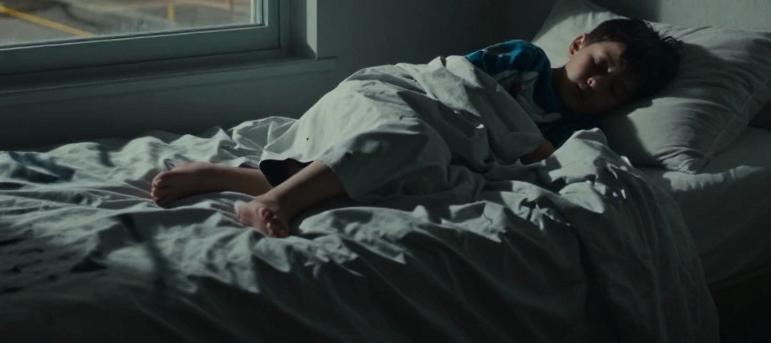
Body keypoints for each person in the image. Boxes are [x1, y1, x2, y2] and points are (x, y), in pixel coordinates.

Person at [150, 18, 682, 238]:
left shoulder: (572, 130)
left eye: (615, 90)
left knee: (417, 167)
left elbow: (534, 163)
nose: (600, 85)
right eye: (602, 63)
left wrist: (528, 149)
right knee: (404, 139)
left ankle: (224, 176)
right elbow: (458, 82)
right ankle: (277, 203)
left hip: (447, 142)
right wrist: (524, 140)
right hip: (405, 95)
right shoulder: (525, 61)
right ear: (578, 45)